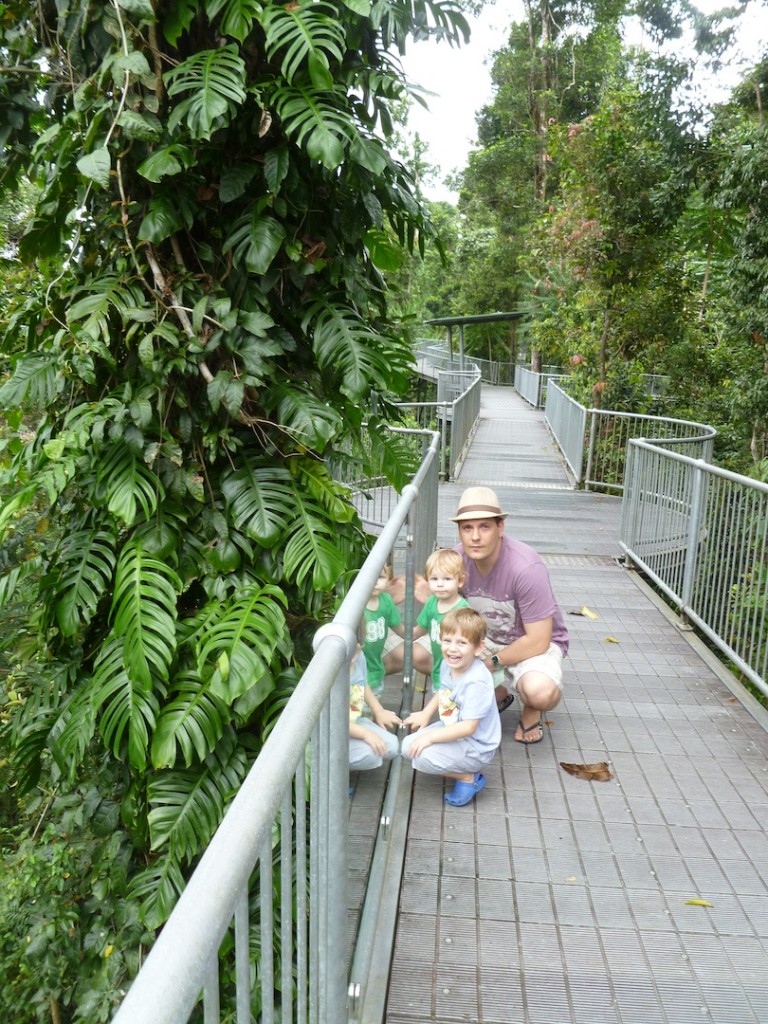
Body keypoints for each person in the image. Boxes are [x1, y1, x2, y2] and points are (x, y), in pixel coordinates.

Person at [451, 485, 568, 745]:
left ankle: (530, 707)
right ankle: (499, 692)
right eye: (467, 528)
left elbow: (539, 639)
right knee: (424, 654)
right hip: (485, 638)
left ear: (500, 528)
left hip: (532, 642)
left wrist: (489, 664)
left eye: (484, 527)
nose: (475, 537)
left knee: (540, 692)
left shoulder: (526, 567)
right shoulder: (457, 559)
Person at [401, 607, 501, 807]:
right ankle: (456, 765)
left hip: (476, 745)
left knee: (420, 757)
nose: (452, 649)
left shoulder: (476, 681)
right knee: (406, 747)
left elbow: (468, 728)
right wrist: (425, 713)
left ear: (478, 648)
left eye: (462, 643)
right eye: (447, 641)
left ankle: (467, 777)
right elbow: (443, 690)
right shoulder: (450, 663)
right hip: (452, 726)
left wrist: (429, 737)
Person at [411, 548, 470, 691]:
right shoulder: (432, 602)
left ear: (460, 581)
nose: (440, 584)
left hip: (458, 674)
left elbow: (468, 645)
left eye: (447, 579)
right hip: (439, 671)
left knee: (454, 710)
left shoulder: (462, 611)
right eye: (434, 579)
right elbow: (419, 630)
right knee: (443, 709)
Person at [349, 646, 401, 771]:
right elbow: (334, 723)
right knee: (371, 753)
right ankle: (336, 780)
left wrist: (378, 710)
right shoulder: (331, 667)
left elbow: (363, 683)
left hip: (353, 722)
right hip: (332, 734)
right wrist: (366, 734)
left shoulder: (359, 656)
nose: (355, 646)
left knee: (391, 746)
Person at [363, 563, 405, 697]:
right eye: (370, 576)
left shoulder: (386, 600)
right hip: (355, 673)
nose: (375, 582)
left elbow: (400, 629)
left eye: (380, 577)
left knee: (372, 713)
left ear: (388, 581)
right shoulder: (356, 605)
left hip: (376, 671)